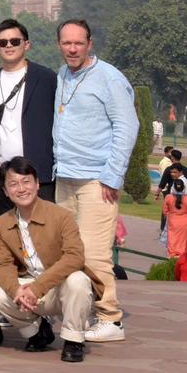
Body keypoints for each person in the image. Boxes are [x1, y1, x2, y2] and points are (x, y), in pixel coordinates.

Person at [51, 18, 139, 343]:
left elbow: (127, 127)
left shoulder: (109, 78)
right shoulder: (63, 75)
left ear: (90, 44)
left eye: (78, 43)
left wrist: (112, 175)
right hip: (66, 176)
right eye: (66, 43)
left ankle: (110, 318)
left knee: (94, 253)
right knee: (69, 251)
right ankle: (83, 311)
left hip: (96, 179)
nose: (72, 48)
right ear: (60, 44)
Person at [0, 156, 100, 363]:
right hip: (29, 291)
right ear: (5, 191)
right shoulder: (2, 223)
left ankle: (74, 340)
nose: (21, 189)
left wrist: (37, 288)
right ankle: (36, 332)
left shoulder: (61, 216)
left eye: (26, 181)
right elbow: (2, 265)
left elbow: (75, 257)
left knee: (78, 280)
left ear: (37, 184)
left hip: (58, 288)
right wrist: (16, 290)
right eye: (13, 184)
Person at [0, 19, 58, 214]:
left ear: (27, 44)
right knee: (2, 236)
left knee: (40, 236)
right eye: (3, 42)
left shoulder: (46, 79)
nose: (9, 46)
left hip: (37, 174)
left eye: (14, 41)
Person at [160, 164, 187, 268]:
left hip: (173, 222)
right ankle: (183, 264)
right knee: (185, 244)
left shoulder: (168, 197)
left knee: (173, 243)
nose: (172, 174)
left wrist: (170, 215)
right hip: (186, 223)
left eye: (174, 172)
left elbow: (165, 211)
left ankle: (171, 263)